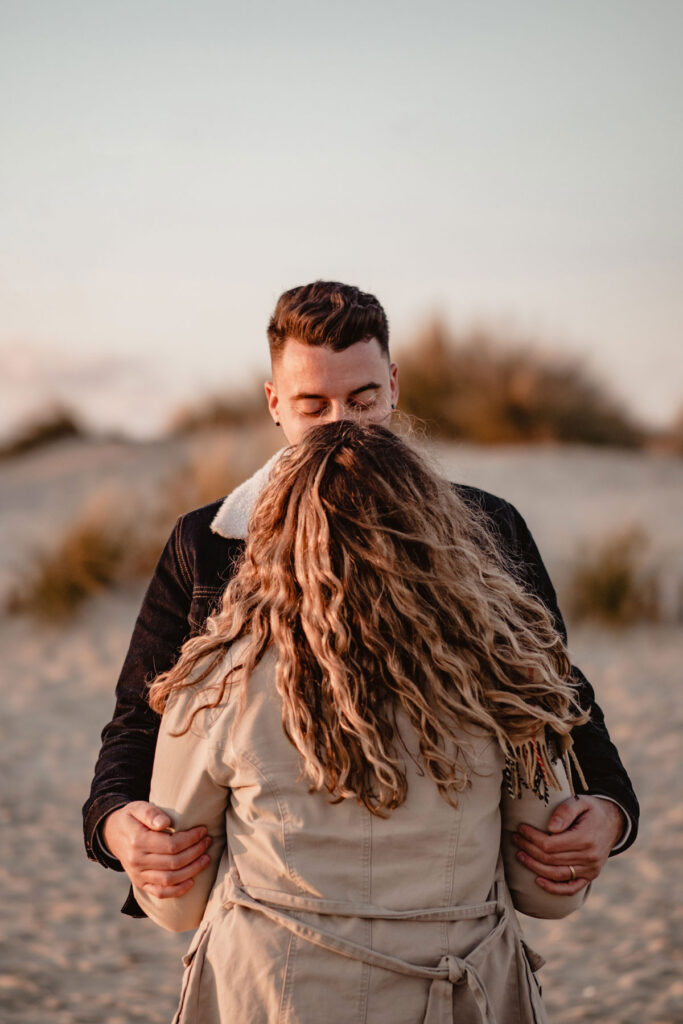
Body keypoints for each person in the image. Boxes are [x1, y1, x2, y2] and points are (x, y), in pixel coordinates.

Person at [83, 280, 638, 919]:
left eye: (362, 399)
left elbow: (560, 695)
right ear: (274, 403)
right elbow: (137, 717)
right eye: (312, 406)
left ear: (394, 386)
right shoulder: (207, 543)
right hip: (268, 920)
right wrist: (115, 824)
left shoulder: (488, 527)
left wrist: (610, 811)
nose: (340, 426)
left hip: (451, 920)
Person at [135, 420, 593, 1023]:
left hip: (276, 992)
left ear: (278, 534)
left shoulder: (216, 678)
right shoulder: (507, 673)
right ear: (433, 527)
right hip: (453, 991)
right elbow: (547, 891)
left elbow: (175, 904)